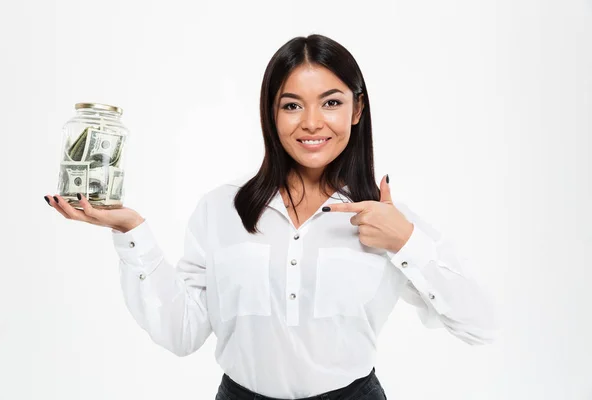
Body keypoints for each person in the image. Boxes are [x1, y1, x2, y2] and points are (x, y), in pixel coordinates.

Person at [44, 34, 496, 400]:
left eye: (332, 102)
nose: (312, 122)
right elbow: (180, 333)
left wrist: (406, 242)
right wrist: (130, 232)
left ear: (358, 110)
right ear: (271, 113)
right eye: (292, 104)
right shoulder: (222, 210)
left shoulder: (386, 219)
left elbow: (480, 326)